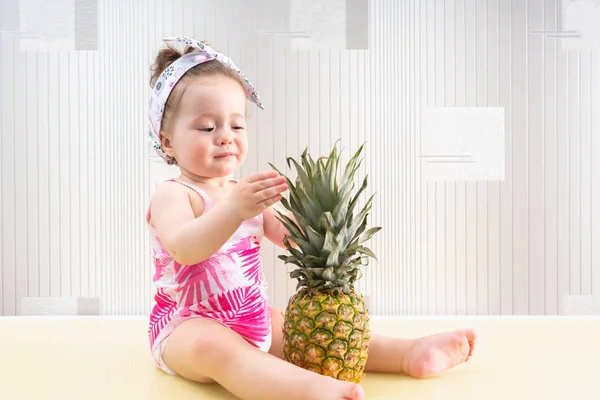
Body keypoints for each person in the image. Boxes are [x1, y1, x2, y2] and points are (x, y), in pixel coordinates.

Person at [146, 36, 477, 400]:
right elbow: (183, 248)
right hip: (185, 328)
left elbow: (296, 239)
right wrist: (234, 209)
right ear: (168, 142)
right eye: (208, 128)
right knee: (219, 350)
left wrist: (320, 226)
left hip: (250, 317)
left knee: (302, 329)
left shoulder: (245, 194)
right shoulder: (174, 194)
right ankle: (310, 390)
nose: (225, 137)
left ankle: (407, 354)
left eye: (237, 126)